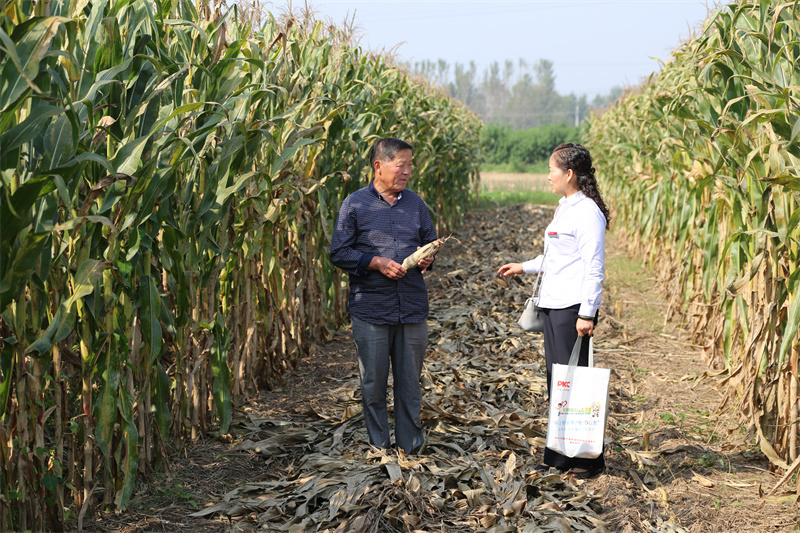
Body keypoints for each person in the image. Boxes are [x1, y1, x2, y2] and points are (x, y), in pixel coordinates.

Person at [498, 142, 611, 479]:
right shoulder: (565, 206)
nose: (548, 176)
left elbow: (594, 267)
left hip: (571, 309)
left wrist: (588, 313)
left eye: (552, 170)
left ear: (569, 174)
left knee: (573, 384)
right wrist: (523, 266)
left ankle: (587, 460)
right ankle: (559, 454)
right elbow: (556, 257)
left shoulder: (588, 212)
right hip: (553, 305)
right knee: (559, 382)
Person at [329, 137, 437, 454]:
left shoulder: (416, 204)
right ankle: (380, 447)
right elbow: (339, 253)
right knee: (373, 384)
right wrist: (374, 262)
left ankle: (409, 447)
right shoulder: (355, 205)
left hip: (412, 308)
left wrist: (427, 257)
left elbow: (429, 241)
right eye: (401, 165)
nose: (407, 171)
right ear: (379, 166)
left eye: (410, 165)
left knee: (409, 385)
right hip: (372, 309)